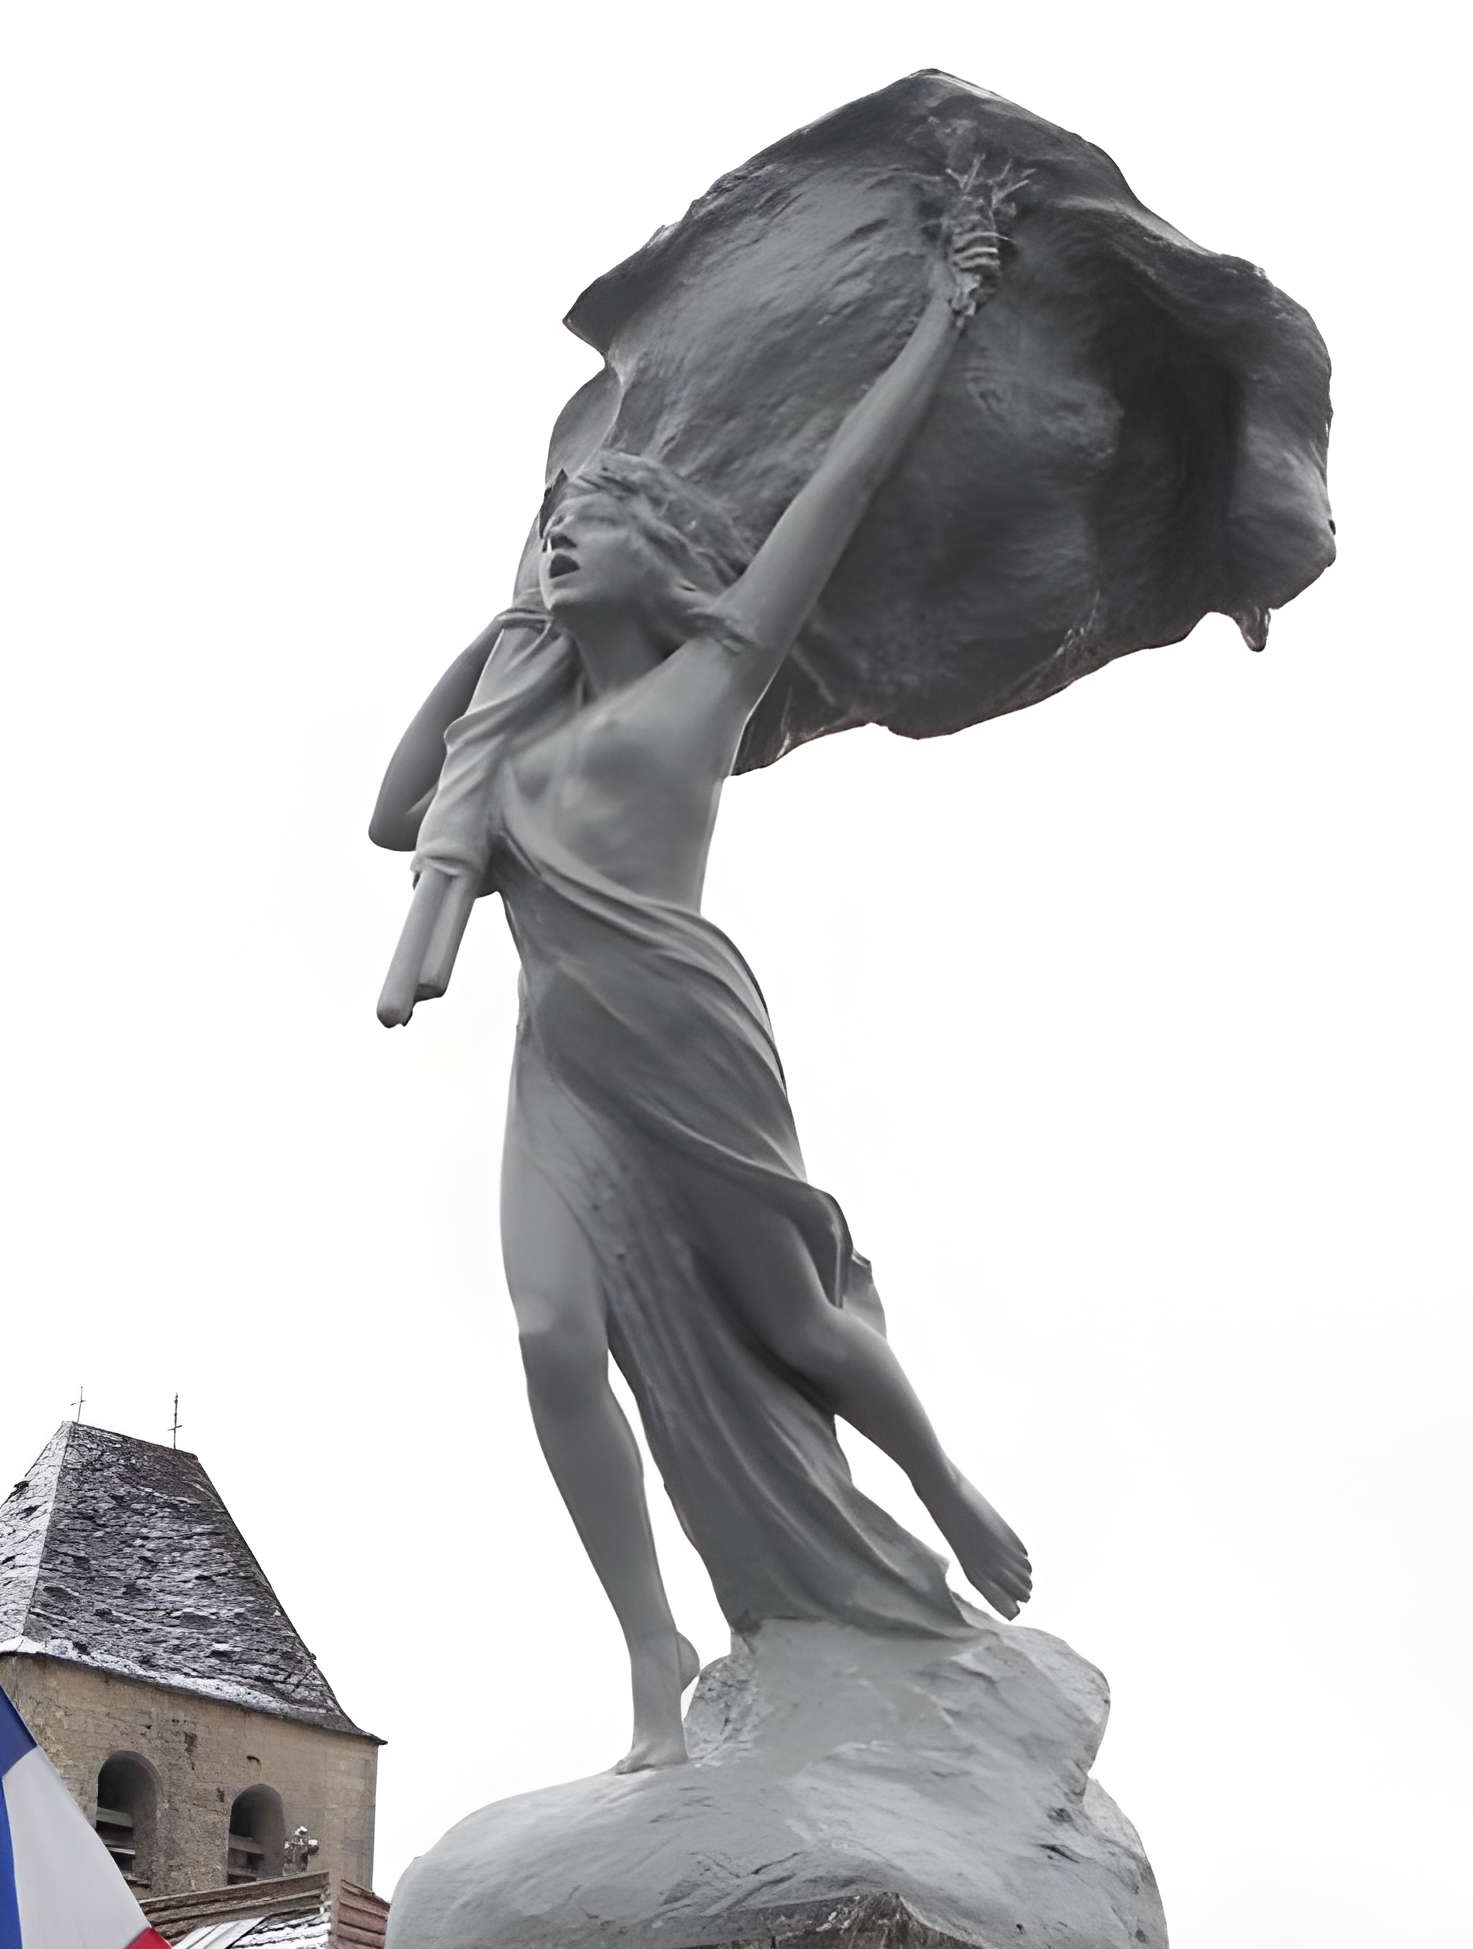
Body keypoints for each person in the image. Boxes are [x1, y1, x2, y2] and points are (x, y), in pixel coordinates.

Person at [372, 180, 1030, 1772]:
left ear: (657, 558)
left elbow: (842, 487)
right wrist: (486, 644)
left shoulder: (713, 677)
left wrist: (946, 311)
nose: (565, 530)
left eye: (592, 519)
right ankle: (654, 1659)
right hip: (563, 1070)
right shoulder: (507, 756)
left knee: (795, 1324)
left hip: (689, 1042)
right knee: (547, 1335)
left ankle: (942, 1486)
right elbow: (396, 812)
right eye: (554, 524)